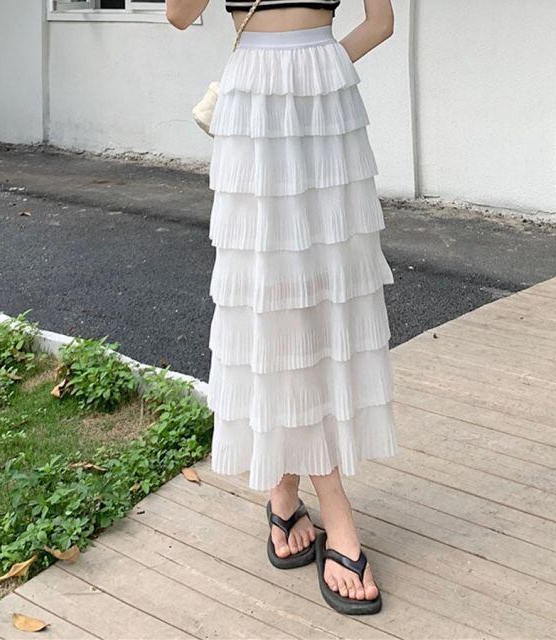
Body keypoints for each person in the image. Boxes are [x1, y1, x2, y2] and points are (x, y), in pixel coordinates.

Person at [167, 0, 396, 615]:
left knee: (322, 291)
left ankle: (284, 492)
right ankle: (336, 515)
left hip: (327, 107)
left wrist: (315, 68)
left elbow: (381, 22)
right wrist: (296, 69)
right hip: (257, 106)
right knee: (275, 298)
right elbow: (178, 15)